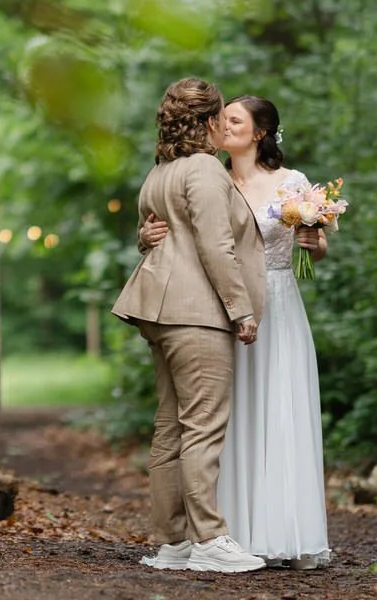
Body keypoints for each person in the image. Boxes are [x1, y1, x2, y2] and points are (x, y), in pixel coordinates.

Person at [139, 95, 332, 567]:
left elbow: (316, 247)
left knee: (278, 408)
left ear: (260, 132)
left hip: (278, 305)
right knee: (218, 419)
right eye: (221, 119)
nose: (223, 125)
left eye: (235, 120)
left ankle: (281, 530)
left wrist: (313, 241)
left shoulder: (291, 183)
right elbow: (180, 233)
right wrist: (144, 236)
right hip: (218, 307)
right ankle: (225, 531)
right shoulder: (207, 174)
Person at [110, 76, 267, 574]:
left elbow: (156, 234)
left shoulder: (161, 172)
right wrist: (241, 308)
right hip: (196, 313)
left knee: (171, 427)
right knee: (202, 427)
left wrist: (143, 237)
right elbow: (215, 245)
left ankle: (173, 541)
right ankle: (209, 540)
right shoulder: (203, 169)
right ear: (210, 120)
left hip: (161, 311)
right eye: (221, 116)